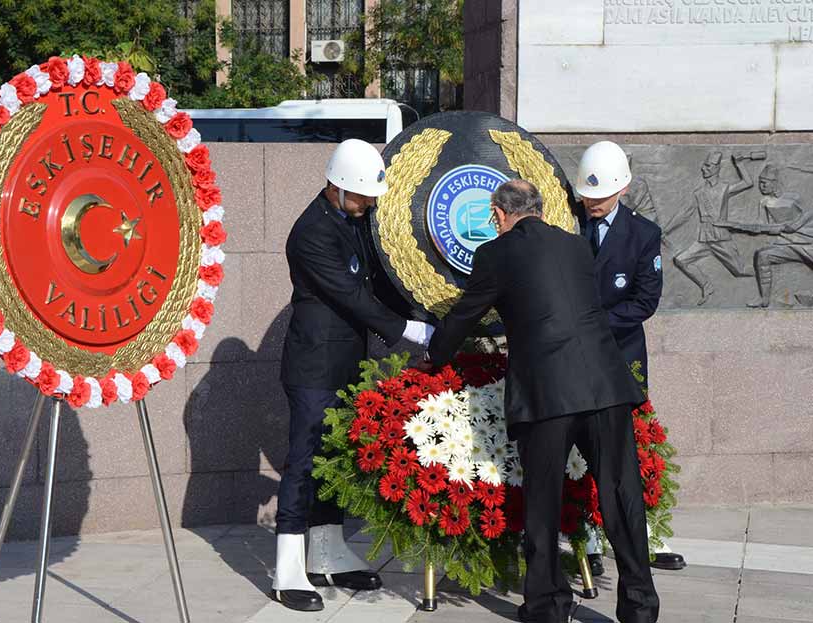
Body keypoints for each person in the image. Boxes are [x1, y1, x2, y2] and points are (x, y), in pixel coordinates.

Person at [426, 180, 659, 623]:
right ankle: (641, 608)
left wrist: (434, 357)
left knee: (543, 501)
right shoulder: (576, 246)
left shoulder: (495, 254)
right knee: (622, 495)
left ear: (498, 214)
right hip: (607, 386)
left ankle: (547, 606)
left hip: (550, 392)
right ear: (539, 208)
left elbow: (464, 315)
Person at [273, 138, 435, 612]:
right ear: (336, 187)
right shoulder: (310, 233)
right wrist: (407, 329)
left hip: (343, 363)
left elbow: (376, 278)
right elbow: (350, 294)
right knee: (304, 462)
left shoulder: (351, 218)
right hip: (313, 367)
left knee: (334, 459)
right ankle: (288, 567)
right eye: (362, 196)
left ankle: (326, 551)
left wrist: (421, 303)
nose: (368, 204)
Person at [575, 141, 686, 574]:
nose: (593, 203)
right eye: (587, 195)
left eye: (601, 197)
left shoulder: (644, 235)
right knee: (578, 451)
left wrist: (592, 322)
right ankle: (586, 538)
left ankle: (631, 538)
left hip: (619, 357)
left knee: (621, 458)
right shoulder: (569, 225)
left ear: (621, 190)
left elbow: (644, 302)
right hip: (573, 359)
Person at [667, 152, 755, 305]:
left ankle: (765, 269)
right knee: (681, 260)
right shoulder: (699, 193)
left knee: (740, 271)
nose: (703, 168)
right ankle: (707, 286)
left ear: (717, 168)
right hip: (704, 239)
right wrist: (666, 229)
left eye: (708, 166)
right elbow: (685, 213)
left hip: (721, 238)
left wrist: (740, 164)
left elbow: (748, 183)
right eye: (704, 165)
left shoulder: (724, 188)